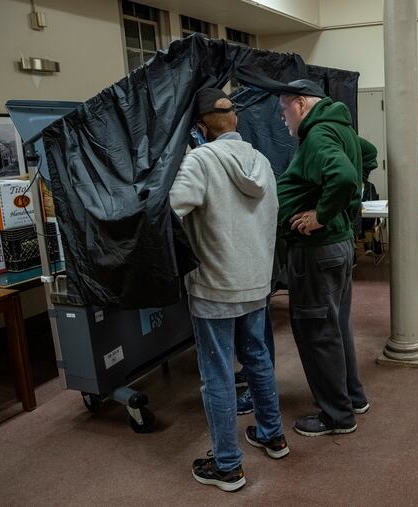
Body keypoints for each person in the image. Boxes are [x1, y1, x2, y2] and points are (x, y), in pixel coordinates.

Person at [170, 88, 288, 493]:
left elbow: (172, 212)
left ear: (200, 128)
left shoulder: (199, 160)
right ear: (235, 120)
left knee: (217, 375)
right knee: (257, 358)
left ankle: (227, 465)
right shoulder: (263, 162)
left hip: (214, 287)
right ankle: (273, 435)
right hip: (255, 283)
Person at [276, 79, 369, 437]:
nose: (283, 119)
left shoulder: (317, 135)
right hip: (338, 246)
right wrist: (341, 209)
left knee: (318, 333)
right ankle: (353, 397)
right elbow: (369, 154)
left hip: (317, 249)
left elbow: (344, 177)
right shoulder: (341, 128)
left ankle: (337, 415)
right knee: (336, 326)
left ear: (300, 103)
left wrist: (321, 215)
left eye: (284, 110)